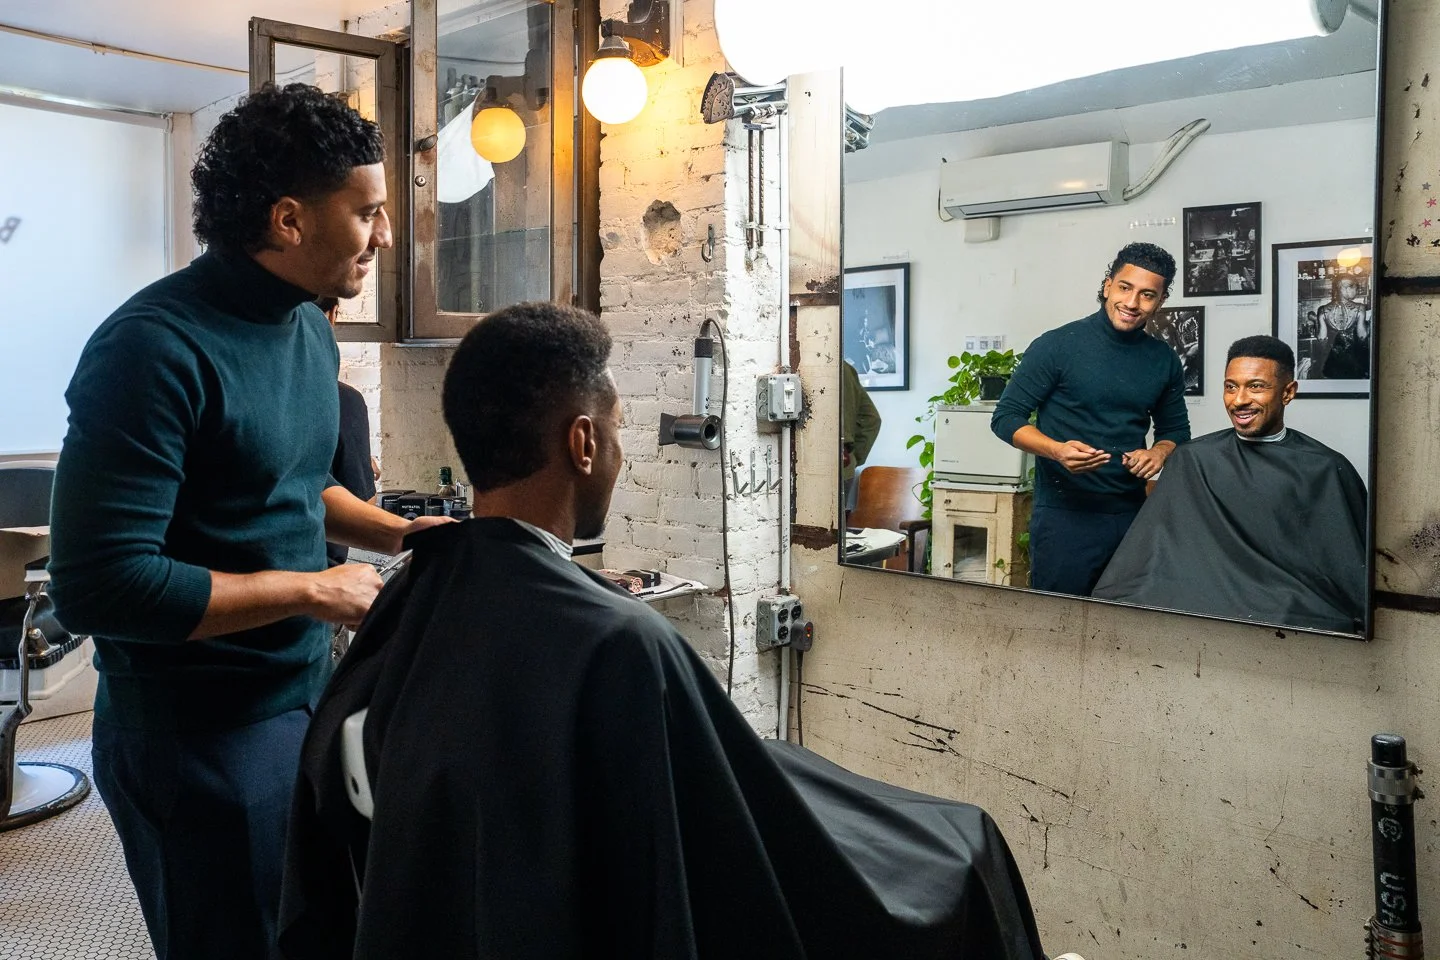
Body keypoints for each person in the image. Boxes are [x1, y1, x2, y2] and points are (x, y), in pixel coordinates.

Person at [279, 301, 1049, 960]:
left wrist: (579, 586)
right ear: (583, 443)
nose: (618, 453)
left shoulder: (425, 587)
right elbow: (720, 854)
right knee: (960, 847)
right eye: (615, 430)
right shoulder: (619, 641)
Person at [47, 84, 451, 959]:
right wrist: (313, 591)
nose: (385, 237)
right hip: (195, 736)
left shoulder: (306, 327)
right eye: (369, 213)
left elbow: (288, 484)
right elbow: (99, 586)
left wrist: (396, 535)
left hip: (304, 700)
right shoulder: (152, 349)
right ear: (290, 220)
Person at [1093, 336, 1366, 633]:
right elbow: (1152, 554)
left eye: (1256, 386)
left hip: (1279, 613)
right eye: (1231, 386)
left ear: (1288, 392)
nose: (1239, 400)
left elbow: (1346, 575)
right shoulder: (1193, 458)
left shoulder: (1325, 468)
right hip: (1197, 603)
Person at [990, 242, 1191, 596]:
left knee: (1125, 627)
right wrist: (1055, 450)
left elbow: (1175, 430)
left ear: (1160, 302)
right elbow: (1006, 418)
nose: (1131, 303)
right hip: (1065, 517)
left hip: (1133, 516)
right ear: (1107, 286)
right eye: (1125, 288)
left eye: (1147, 295)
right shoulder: (1057, 345)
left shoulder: (1164, 360)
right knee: (1058, 628)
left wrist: (1158, 453)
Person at [315, 296, 379, 568]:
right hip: (318, 581)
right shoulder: (342, 400)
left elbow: (309, 484)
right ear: (332, 315)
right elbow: (364, 510)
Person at [841, 358, 882, 511]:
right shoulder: (845, 368)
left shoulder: (811, 368)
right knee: (833, 529)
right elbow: (872, 419)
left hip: (820, 466)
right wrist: (853, 458)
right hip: (845, 462)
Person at [1314, 273, 1371, 380]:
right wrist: (1369, 325)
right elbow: (1362, 336)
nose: (1357, 291)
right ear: (1345, 288)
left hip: (1332, 361)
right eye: (1355, 287)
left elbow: (1321, 338)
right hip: (1355, 361)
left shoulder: (1322, 310)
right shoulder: (1360, 308)